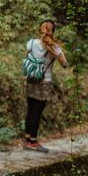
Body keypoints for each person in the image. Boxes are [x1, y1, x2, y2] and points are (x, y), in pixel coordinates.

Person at [22, 18, 67, 149]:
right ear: (53, 31)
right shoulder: (55, 47)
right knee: (37, 111)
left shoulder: (31, 43)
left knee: (30, 110)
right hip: (45, 81)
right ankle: (34, 142)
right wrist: (55, 52)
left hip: (31, 78)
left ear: (40, 29)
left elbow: (28, 57)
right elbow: (65, 64)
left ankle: (27, 140)